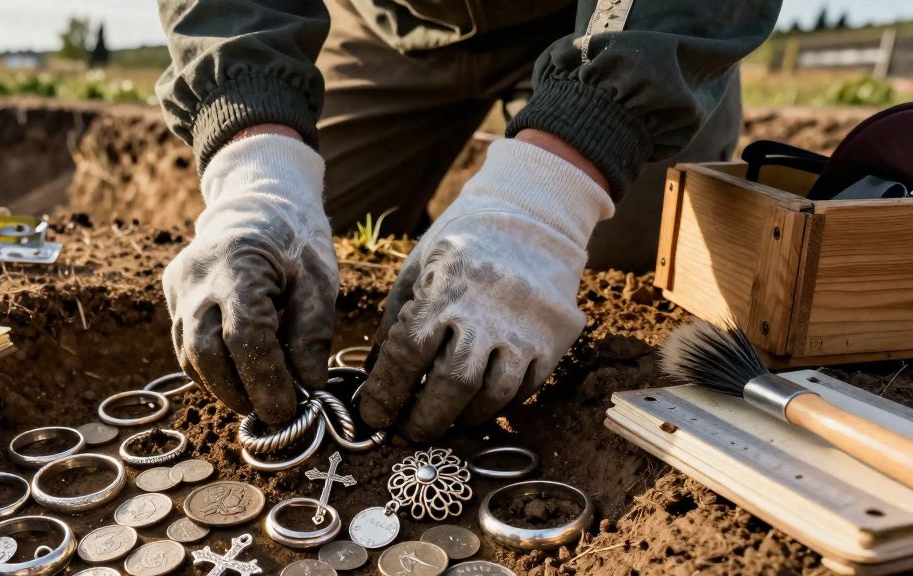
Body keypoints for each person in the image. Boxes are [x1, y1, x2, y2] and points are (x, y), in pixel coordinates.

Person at [156, 0, 781, 442]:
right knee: (320, 230)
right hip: (392, 22)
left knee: (633, 245)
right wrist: (257, 170)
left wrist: (541, 204)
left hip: (607, 25)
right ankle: (450, 253)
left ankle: (499, 218)